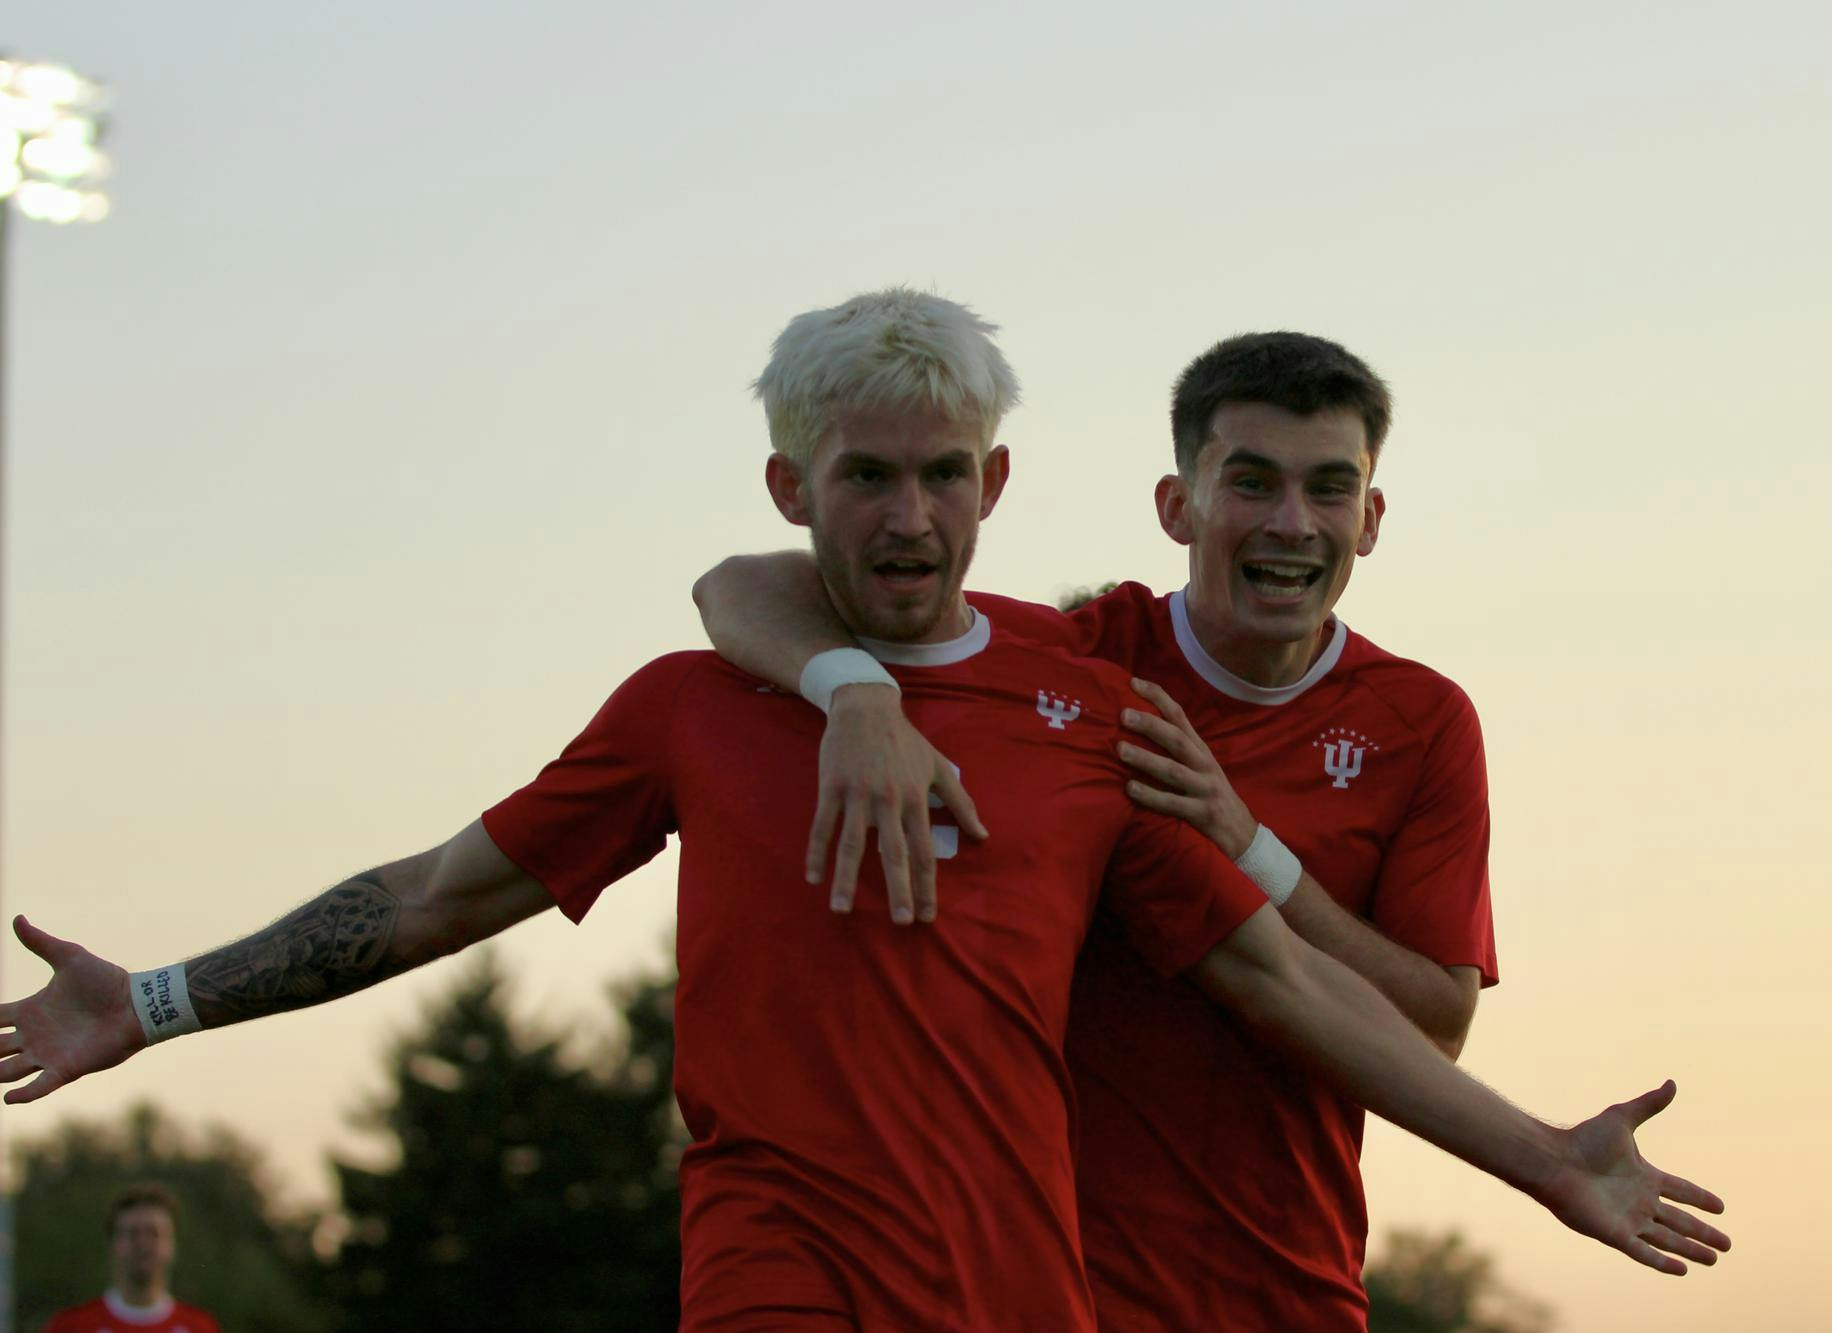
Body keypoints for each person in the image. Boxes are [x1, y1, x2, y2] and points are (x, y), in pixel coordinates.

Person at [2, 289, 1726, 1331]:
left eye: (940, 474)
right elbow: (436, 892)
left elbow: (1280, 983)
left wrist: (1538, 1156)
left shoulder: (1090, 715)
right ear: (791, 486)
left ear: (996, 484)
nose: (907, 516)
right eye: (865, 476)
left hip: (1028, 1288)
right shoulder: (692, 702)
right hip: (781, 1270)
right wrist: (156, 998)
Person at [690, 330, 1662, 1328]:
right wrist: (854, 690)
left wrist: (1246, 843)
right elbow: (740, 585)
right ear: (1176, 506)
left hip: (1290, 1286)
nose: (1291, 523)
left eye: (1328, 488)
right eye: (1251, 483)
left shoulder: (1421, 723)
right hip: (1044, 1286)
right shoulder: (1079, 666)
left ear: (1369, 518)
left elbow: (1431, 1029)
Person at [42, 1184, 221, 1333]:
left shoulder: (201, 1327)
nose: (143, 1244)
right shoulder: (70, 1326)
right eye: (132, 1233)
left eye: (154, 1233)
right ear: (113, 1243)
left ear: (172, 1244)